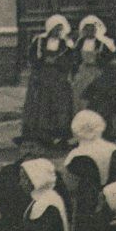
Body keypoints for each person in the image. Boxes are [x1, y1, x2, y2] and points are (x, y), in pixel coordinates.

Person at [22, 15, 75, 147]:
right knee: (41, 104)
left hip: (58, 78)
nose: (57, 32)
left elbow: (71, 60)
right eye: (55, 29)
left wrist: (58, 62)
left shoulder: (66, 44)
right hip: (42, 77)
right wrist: (42, 62)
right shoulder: (40, 41)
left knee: (59, 104)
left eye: (60, 29)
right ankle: (42, 134)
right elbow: (32, 57)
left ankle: (60, 134)